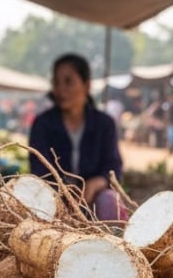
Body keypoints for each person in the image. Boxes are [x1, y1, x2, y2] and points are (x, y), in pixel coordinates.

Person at [28, 53, 125, 222]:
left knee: (109, 199)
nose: (61, 89)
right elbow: (38, 168)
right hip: (53, 199)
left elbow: (113, 166)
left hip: (92, 198)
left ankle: (113, 238)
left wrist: (97, 182)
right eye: (56, 83)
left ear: (86, 85)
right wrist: (63, 190)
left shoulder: (104, 124)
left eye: (68, 81)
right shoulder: (42, 124)